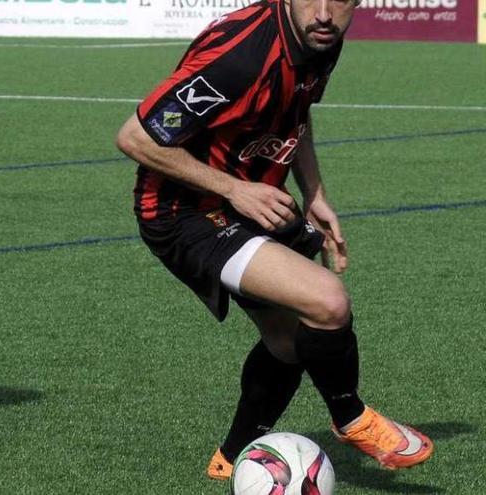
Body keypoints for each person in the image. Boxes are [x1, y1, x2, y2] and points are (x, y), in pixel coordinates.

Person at [116, 0, 433, 478]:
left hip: (251, 200)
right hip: (185, 212)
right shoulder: (239, 57)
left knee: (288, 344)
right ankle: (351, 417)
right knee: (326, 301)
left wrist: (315, 194)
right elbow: (137, 138)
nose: (325, 13)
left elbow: (295, 112)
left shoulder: (319, 39)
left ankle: (232, 457)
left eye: (341, 0)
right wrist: (234, 189)